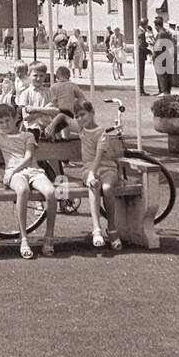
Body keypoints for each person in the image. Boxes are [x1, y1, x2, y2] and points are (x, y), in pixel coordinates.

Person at [0, 104, 57, 259]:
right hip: (16, 175)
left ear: (16, 118)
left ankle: (49, 236)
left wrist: (12, 172)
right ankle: (24, 238)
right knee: (23, 190)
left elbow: (28, 157)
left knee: (51, 192)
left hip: (31, 171)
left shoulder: (27, 136)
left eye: (7, 120)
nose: (4, 125)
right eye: (1, 122)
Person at [77, 100, 123, 251]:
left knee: (108, 187)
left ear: (92, 113)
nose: (80, 119)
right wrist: (54, 123)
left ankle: (112, 228)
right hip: (88, 170)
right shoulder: (80, 130)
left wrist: (92, 173)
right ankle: (96, 228)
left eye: (83, 114)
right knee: (94, 185)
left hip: (106, 168)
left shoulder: (101, 133)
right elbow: (63, 117)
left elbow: (98, 157)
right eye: (77, 116)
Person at [152, 17, 175, 94]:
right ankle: (165, 90)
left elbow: (158, 47)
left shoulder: (161, 34)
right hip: (166, 55)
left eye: (155, 26)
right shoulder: (166, 32)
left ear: (157, 26)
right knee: (166, 73)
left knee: (161, 74)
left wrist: (154, 54)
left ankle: (163, 91)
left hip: (160, 56)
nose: (155, 28)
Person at [136, 23, 151, 96]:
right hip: (140, 56)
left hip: (138, 55)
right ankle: (141, 90)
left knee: (139, 74)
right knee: (141, 74)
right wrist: (148, 51)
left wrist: (146, 44)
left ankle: (140, 89)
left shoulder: (138, 31)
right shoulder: (141, 33)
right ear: (145, 25)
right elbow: (141, 46)